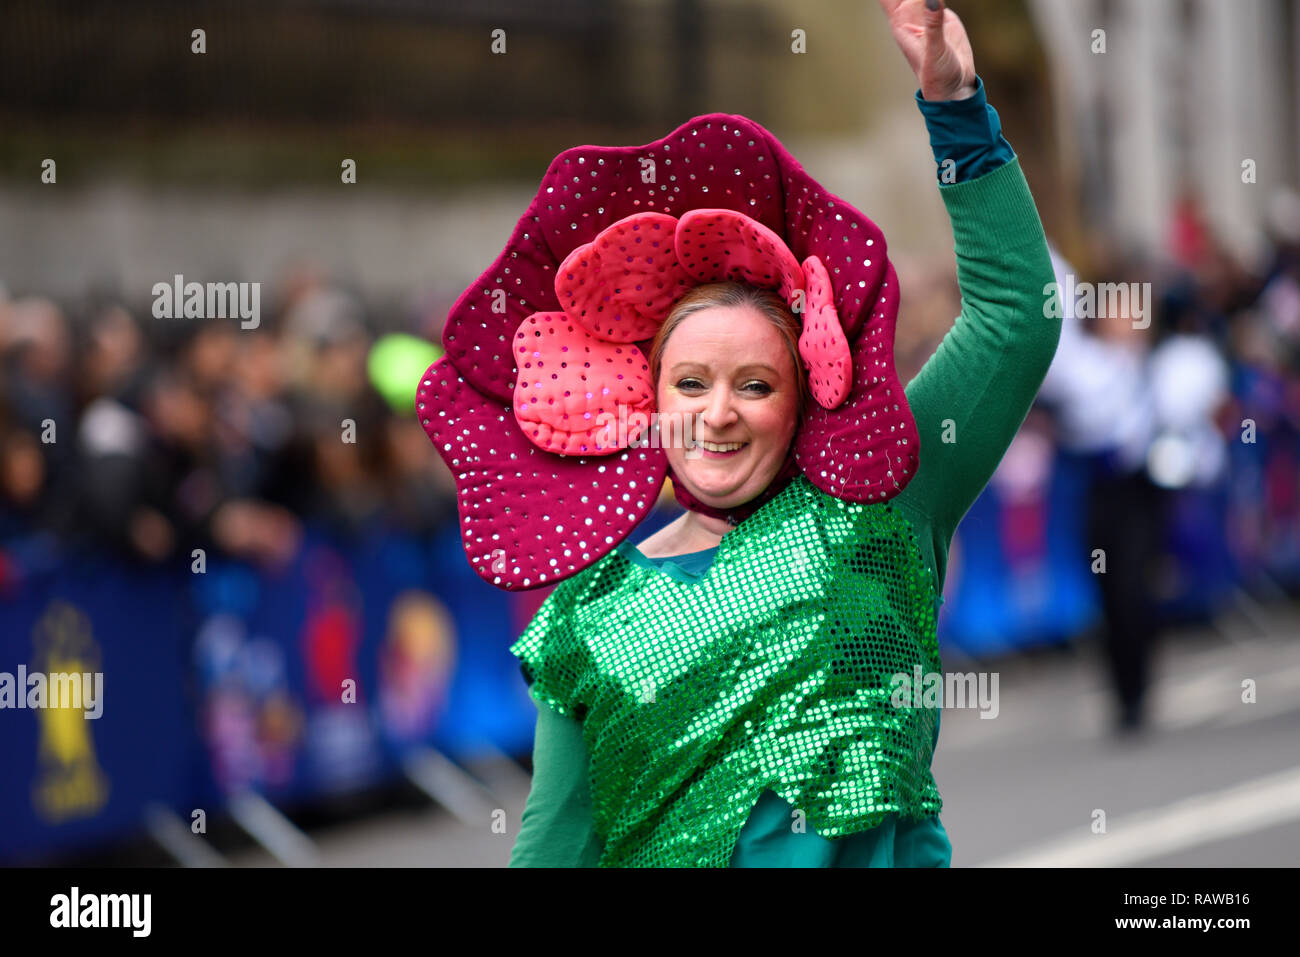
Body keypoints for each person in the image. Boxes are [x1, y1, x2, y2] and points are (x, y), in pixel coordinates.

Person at [416, 0, 1061, 867]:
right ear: (646, 399)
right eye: (691, 383)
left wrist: (955, 107)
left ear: (802, 399)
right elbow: (554, 845)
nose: (717, 412)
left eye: (754, 384)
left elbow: (1016, 320)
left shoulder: (882, 511)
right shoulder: (588, 616)